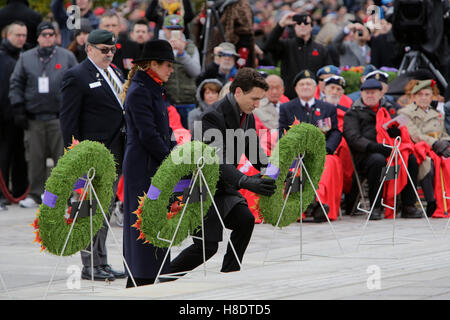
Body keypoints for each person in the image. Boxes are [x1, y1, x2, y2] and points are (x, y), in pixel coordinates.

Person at [170, 68, 276, 275]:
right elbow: (214, 160)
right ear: (237, 92)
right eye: (254, 99)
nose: (257, 105)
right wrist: (246, 181)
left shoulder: (247, 115)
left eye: (259, 100)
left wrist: (275, 172)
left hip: (225, 186)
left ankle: (230, 274)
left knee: (245, 220)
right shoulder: (210, 116)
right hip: (201, 187)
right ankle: (162, 277)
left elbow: (254, 152)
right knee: (207, 247)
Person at [60, 29, 126, 281]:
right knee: (90, 209)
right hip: (93, 152)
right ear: (89, 49)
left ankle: (102, 261)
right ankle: (89, 265)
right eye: (104, 50)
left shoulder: (115, 72)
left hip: (115, 150)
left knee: (105, 210)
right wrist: (75, 154)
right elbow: (68, 120)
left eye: (112, 50)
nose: (109, 54)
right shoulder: (76, 76)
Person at [121, 39, 178, 287]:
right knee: (142, 217)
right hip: (142, 163)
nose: (171, 69)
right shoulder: (140, 90)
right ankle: (141, 275)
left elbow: (161, 130)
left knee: (156, 216)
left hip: (153, 160)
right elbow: (148, 134)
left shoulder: (152, 87)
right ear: (152, 64)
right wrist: (169, 159)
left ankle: (156, 270)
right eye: (167, 65)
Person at [9, 21, 78, 208]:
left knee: (63, 159)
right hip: (34, 118)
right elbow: (16, 84)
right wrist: (18, 108)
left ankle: (66, 193)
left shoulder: (67, 56)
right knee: (35, 159)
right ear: (38, 37)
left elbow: (76, 82)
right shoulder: (26, 58)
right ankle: (35, 194)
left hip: (59, 118)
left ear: (56, 37)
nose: (48, 38)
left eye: (51, 34)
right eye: (44, 34)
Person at [343, 78, 423, 220]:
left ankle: (408, 205)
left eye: (373, 92)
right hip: (365, 154)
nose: (370, 95)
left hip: (389, 149)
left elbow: (400, 128)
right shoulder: (353, 112)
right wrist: (374, 147)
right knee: (378, 160)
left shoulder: (390, 109)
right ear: (361, 94)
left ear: (381, 94)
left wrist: (396, 132)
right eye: (366, 92)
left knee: (410, 158)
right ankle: (376, 205)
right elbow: (353, 137)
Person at [279, 70, 343, 222]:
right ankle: (305, 206)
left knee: (329, 163)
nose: (305, 87)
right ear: (295, 88)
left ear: (316, 88)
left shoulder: (328, 108)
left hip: (322, 152)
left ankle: (320, 203)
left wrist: (327, 148)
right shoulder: (287, 108)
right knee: (293, 165)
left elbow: (335, 132)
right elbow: (281, 131)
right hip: (296, 153)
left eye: (309, 84)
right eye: (302, 84)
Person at [398, 80, 450, 217]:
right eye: (420, 94)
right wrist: (435, 143)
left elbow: (444, 133)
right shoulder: (403, 112)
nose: (424, 97)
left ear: (432, 96)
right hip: (418, 149)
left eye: (427, 94)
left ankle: (445, 200)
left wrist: (444, 143)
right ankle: (432, 202)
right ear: (413, 97)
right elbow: (414, 134)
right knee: (428, 163)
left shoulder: (437, 114)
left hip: (438, 148)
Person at [263, 12, 332, 99]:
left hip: (314, 99)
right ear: (294, 27)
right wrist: (281, 25)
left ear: (311, 27)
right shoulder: (286, 45)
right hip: (290, 98)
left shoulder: (321, 49)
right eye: (299, 23)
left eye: (306, 23)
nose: (302, 25)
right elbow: (268, 46)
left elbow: (327, 74)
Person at [0, 21, 29, 210]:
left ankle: (19, 192)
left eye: (24, 35)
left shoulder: (25, 56)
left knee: (20, 155)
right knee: (4, 155)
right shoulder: (3, 58)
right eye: (17, 35)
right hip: (4, 116)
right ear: (7, 35)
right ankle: (3, 194)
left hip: (20, 115)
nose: (21, 39)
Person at [158, 14, 201, 129]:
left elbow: (196, 71)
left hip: (188, 101)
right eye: (170, 29)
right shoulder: (158, 47)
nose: (174, 32)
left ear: (182, 30)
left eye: (177, 29)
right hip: (166, 103)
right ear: (163, 29)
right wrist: (167, 52)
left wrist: (182, 53)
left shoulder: (190, 46)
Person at [98, 11, 140, 78]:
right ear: (100, 27)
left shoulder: (132, 47)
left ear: (119, 27)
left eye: (114, 25)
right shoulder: (94, 49)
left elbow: (137, 73)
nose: (111, 29)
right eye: (107, 26)